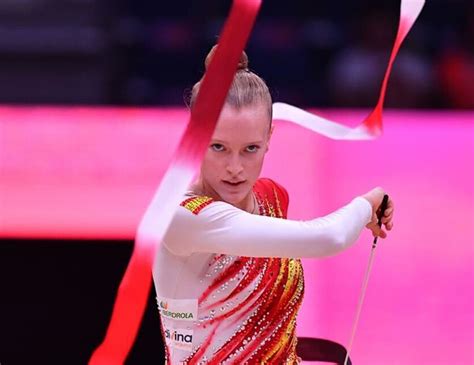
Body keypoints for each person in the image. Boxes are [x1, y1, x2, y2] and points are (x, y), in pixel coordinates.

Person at [152, 45, 394, 364]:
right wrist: (368, 203)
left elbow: (268, 325)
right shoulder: (182, 217)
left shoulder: (272, 197)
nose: (234, 167)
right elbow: (329, 238)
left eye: (250, 148)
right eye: (219, 147)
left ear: (269, 137)